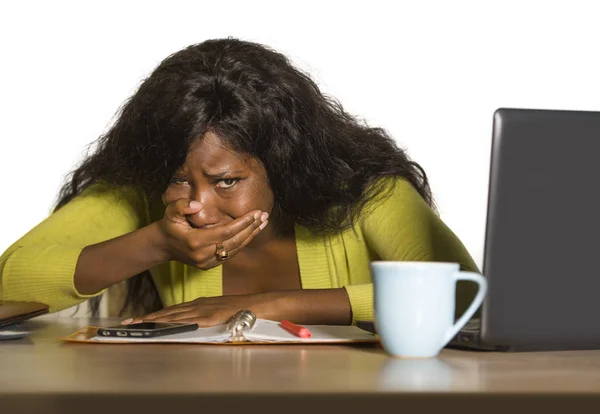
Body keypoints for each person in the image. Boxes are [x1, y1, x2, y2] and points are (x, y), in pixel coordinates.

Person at [0, 38, 479, 327]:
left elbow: (464, 295)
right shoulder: (146, 195)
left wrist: (262, 306)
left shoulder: (368, 192)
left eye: (227, 181)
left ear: (283, 164)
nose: (198, 208)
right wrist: (154, 244)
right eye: (176, 180)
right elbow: (10, 281)